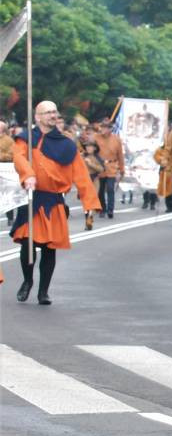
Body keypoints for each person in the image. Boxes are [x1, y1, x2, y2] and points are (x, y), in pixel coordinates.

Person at [11, 101, 102, 304]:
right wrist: (28, 175)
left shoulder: (67, 144)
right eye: (48, 112)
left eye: (54, 111)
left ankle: (43, 292)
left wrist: (90, 204)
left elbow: (81, 175)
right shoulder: (25, 138)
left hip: (54, 200)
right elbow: (18, 158)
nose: (53, 115)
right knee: (27, 244)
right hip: (31, 197)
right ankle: (27, 281)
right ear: (37, 117)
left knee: (49, 248)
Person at [94, 119, 124, 219]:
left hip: (112, 166)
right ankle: (102, 208)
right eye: (102, 127)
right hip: (100, 167)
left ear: (110, 129)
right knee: (100, 190)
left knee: (110, 188)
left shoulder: (116, 139)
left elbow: (120, 155)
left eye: (106, 127)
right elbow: (90, 150)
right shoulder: (96, 138)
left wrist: (122, 168)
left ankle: (110, 210)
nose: (103, 129)